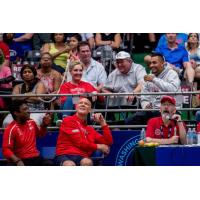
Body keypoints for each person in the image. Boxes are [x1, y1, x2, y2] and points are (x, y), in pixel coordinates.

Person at [125, 52, 182, 125]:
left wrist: (154, 80)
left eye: (154, 63)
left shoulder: (172, 74)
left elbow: (173, 89)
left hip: (172, 110)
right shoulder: (149, 77)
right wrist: (145, 105)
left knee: (155, 117)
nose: (151, 65)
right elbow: (144, 97)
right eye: (150, 63)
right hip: (153, 110)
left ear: (162, 64)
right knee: (130, 121)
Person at [55, 97, 113, 166]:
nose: (83, 104)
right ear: (76, 107)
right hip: (64, 155)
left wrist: (103, 123)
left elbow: (108, 142)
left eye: (86, 104)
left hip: (82, 157)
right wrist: (99, 146)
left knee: (87, 162)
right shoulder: (68, 120)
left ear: (90, 110)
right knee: (69, 164)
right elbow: (80, 142)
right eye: (80, 103)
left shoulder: (90, 129)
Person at [2, 99, 52, 166]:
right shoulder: (10, 129)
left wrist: (44, 125)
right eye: (25, 109)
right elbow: (6, 149)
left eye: (28, 108)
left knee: (49, 164)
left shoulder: (31, 122)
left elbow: (40, 134)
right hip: (20, 159)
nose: (29, 111)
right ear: (16, 113)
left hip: (35, 158)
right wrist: (17, 161)